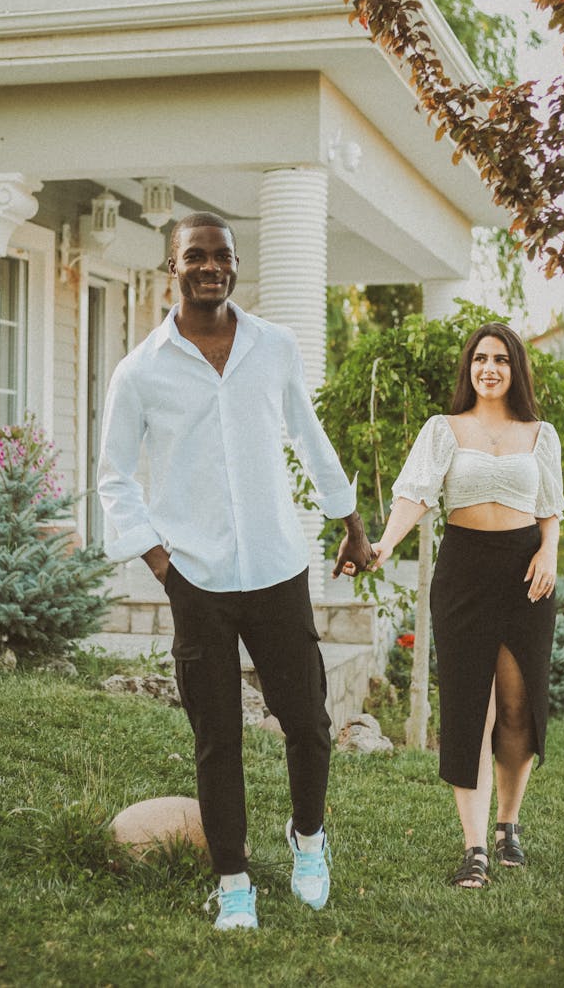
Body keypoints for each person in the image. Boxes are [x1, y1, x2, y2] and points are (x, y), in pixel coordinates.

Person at [97, 212, 372, 929]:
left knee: (307, 721)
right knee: (217, 738)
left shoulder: (274, 347)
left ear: (235, 264)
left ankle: (307, 839)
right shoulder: (140, 370)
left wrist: (351, 522)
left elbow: (308, 433)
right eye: (196, 255)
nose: (210, 266)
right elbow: (114, 479)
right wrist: (161, 563)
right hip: (197, 580)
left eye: (221, 255)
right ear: (173, 267)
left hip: (278, 567)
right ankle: (234, 883)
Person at [366, 322, 564, 888]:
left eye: (501, 359)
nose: (489, 368)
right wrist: (383, 546)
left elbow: (550, 506)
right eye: (480, 359)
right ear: (468, 368)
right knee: (469, 709)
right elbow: (413, 495)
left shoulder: (540, 434)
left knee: (518, 707)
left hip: (526, 575)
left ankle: (508, 824)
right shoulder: (444, 429)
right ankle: (474, 847)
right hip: (464, 574)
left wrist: (549, 552)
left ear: (515, 369)